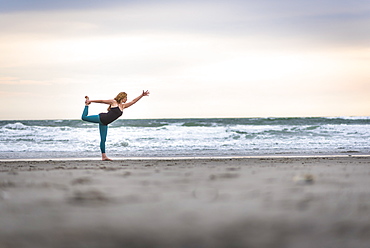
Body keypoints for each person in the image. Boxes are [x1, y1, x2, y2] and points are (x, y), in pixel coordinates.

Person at [82, 90, 150, 161]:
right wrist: (90, 101)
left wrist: (141, 95)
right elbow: (102, 101)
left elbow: (133, 101)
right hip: (101, 118)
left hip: (105, 123)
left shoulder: (123, 106)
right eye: (126, 98)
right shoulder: (114, 102)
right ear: (122, 97)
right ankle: (86, 105)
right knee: (84, 118)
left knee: (103, 140)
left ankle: (104, 156)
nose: (126, 99)